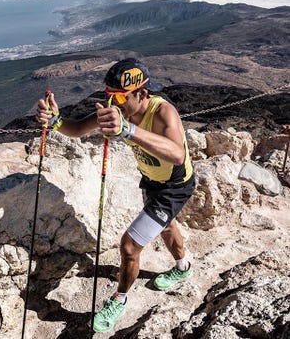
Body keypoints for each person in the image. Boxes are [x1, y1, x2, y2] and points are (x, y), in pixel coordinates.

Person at [36, 58, 195, 333]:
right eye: (108, 95)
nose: (113, 102)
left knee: (130, 246)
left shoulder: (162, 112)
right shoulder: (118, 110)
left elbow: (177, 153)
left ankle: (119, 299)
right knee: (166, 227)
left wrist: (129, 130)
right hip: (153, 181)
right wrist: (55, 121)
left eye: (120, 96)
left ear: (142, 93)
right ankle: (183, 266)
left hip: (174, 186)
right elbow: (76, 129)